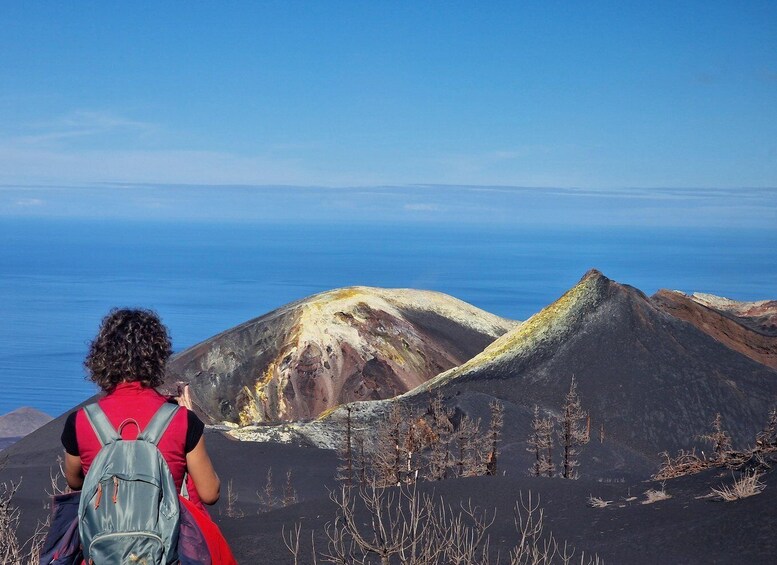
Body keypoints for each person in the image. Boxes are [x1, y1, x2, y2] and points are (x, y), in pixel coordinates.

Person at [61, 308, 220, 509]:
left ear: (102, 359)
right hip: (165, 537)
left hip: (102, 536)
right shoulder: (183, 421)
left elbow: (74, 482)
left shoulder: (80, 421)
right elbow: (210, 493)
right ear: (158, 358)